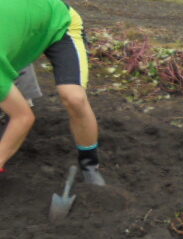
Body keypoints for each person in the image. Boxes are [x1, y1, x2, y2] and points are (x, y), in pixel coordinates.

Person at [0, 0, 105, 185]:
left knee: (73, 98)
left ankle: (90, 166)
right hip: (22, 35)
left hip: (59, 25)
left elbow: (23, 117)